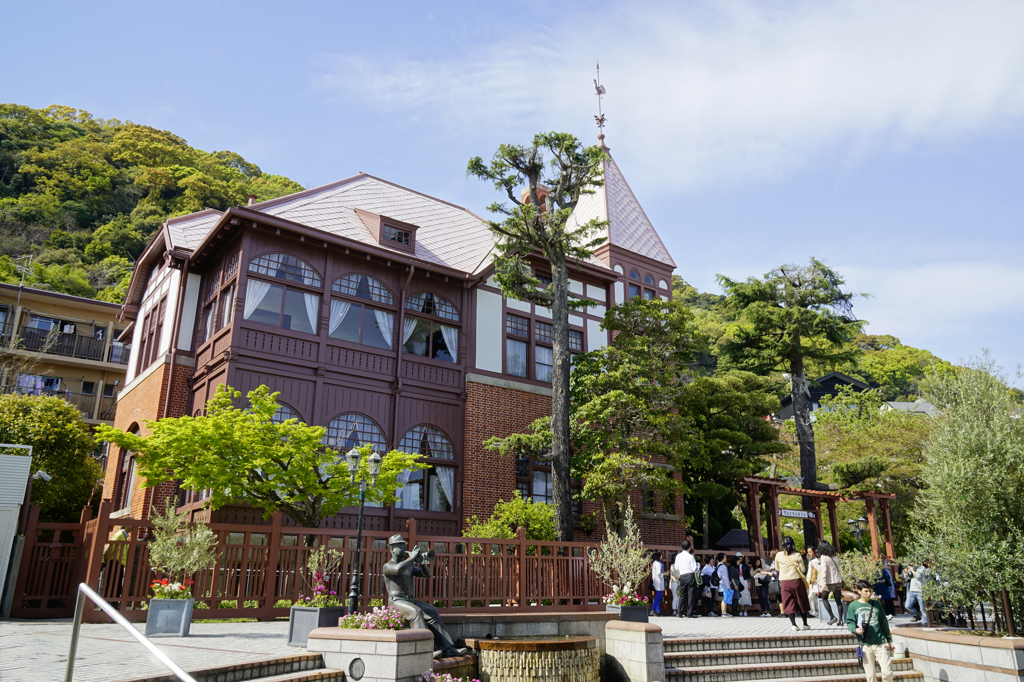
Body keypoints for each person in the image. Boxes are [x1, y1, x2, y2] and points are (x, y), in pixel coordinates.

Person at [383, 534, 464, 658]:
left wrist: (421, 562)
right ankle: (423, 650)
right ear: (392, 549)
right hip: (396, 602)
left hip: (410, 601)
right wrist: (412, 559)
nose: (404, 548)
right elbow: (398, 569)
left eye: (404, 545)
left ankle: (447, 648)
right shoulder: (388, 566)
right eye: (400, 546)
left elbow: (427, 575)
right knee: (416, 612)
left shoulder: (409, 567)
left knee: (432, 611)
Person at [847, 579, 895, 682]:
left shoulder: (876, 604)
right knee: (871, 676)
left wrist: (889, 640)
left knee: (887, 672)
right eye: (866, 591)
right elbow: (850, 622)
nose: (869, 594)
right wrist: (855, 630)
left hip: (880, 643)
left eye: (870, 591)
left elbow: (884, 623)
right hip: (865, 644)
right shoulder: (853, 606)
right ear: (859, 591)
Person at [775, 537, 811, 631]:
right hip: (797, 581)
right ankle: (805, 624)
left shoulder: (778, 555)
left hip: (784, 582)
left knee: (788, 602)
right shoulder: (797, 555)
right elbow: (803, 569)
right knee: (801, 601)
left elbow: (777, 568)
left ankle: (794, 625)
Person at [815, 541, 845, 625]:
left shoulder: (824, 557)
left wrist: (823, 582)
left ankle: (832, 617)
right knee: (838, 601)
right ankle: (840, 620)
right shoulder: (834, 556)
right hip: (838, 580)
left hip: (829, 582)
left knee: (824, 598)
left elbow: (824, 571)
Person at [673, 540, 699, 618]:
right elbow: (694, 568)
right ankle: (689, 613)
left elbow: (676, 567)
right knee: (691, 595)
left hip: (682, 576)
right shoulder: (690, 557)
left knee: (682, 595)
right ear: (689, 548)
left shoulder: (678, 556)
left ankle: (680, 613)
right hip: (690, 576)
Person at [716, 552, 733, 617]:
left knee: (724, 598)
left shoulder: (718, 565)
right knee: (724, 599)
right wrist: (728, 586)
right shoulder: (723, 566)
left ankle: (724, 612)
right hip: (723, 585)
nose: (726, 558)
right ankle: (723, 613)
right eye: (725, 557)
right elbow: (725, 577)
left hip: (720, 584)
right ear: (722, 558)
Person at [651, 551, 666, 616]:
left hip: (658, 581)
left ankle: (657, 610)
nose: (661, 556)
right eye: (661, 555)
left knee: (659, 596)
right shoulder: (657, 563)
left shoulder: (655, 563)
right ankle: (653, 609)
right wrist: (665, 573)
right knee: (659, 596)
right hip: (658, 581)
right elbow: (659, 573)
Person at [806, 547, 820, 617]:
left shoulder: (813, 561)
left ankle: (815, 610)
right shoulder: (809, 560)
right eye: (808, 552)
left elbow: (809, 572)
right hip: (814, 579)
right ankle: (814, 610)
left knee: (813, 596)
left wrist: (807, 580)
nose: (809, 553)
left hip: (814, 580)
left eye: (811, 552)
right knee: (812, 596)